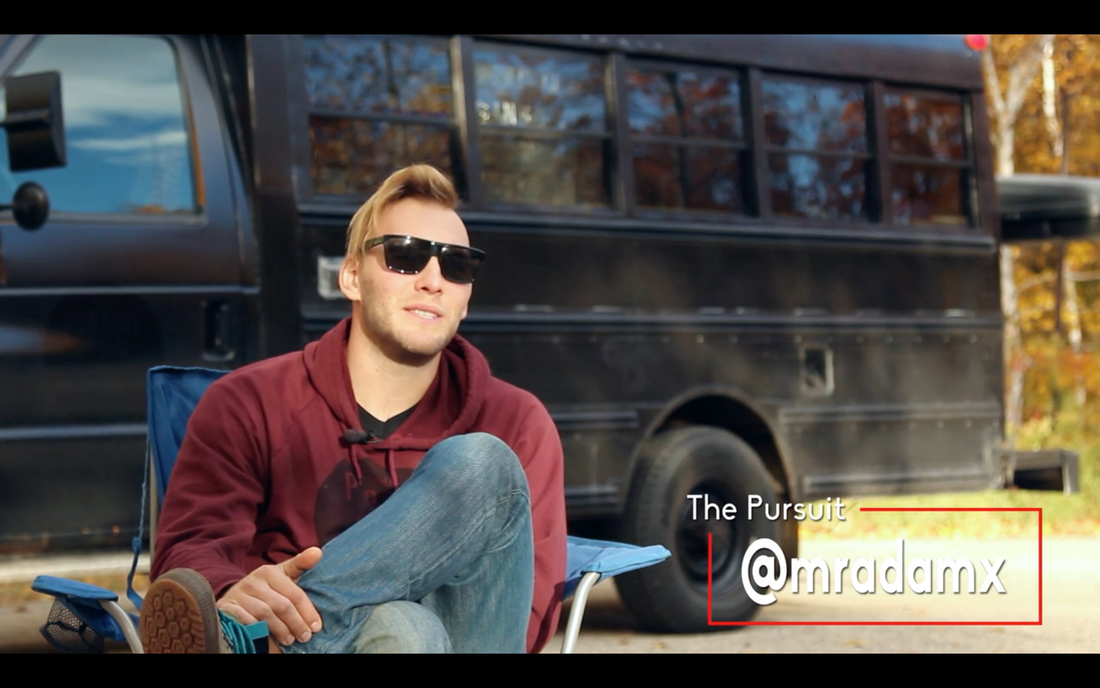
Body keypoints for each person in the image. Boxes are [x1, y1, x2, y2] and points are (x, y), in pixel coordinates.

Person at [139, 164, 567, 654]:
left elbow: (524, 612)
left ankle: (253, 644)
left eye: (457, 266)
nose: (433, 279)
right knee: (405, 627)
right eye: (405, 256)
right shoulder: (251, 401)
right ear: (352, 277)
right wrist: (227, 590)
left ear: (466, 299)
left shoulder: (516, 421)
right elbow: (191, 551)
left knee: (483, 465)